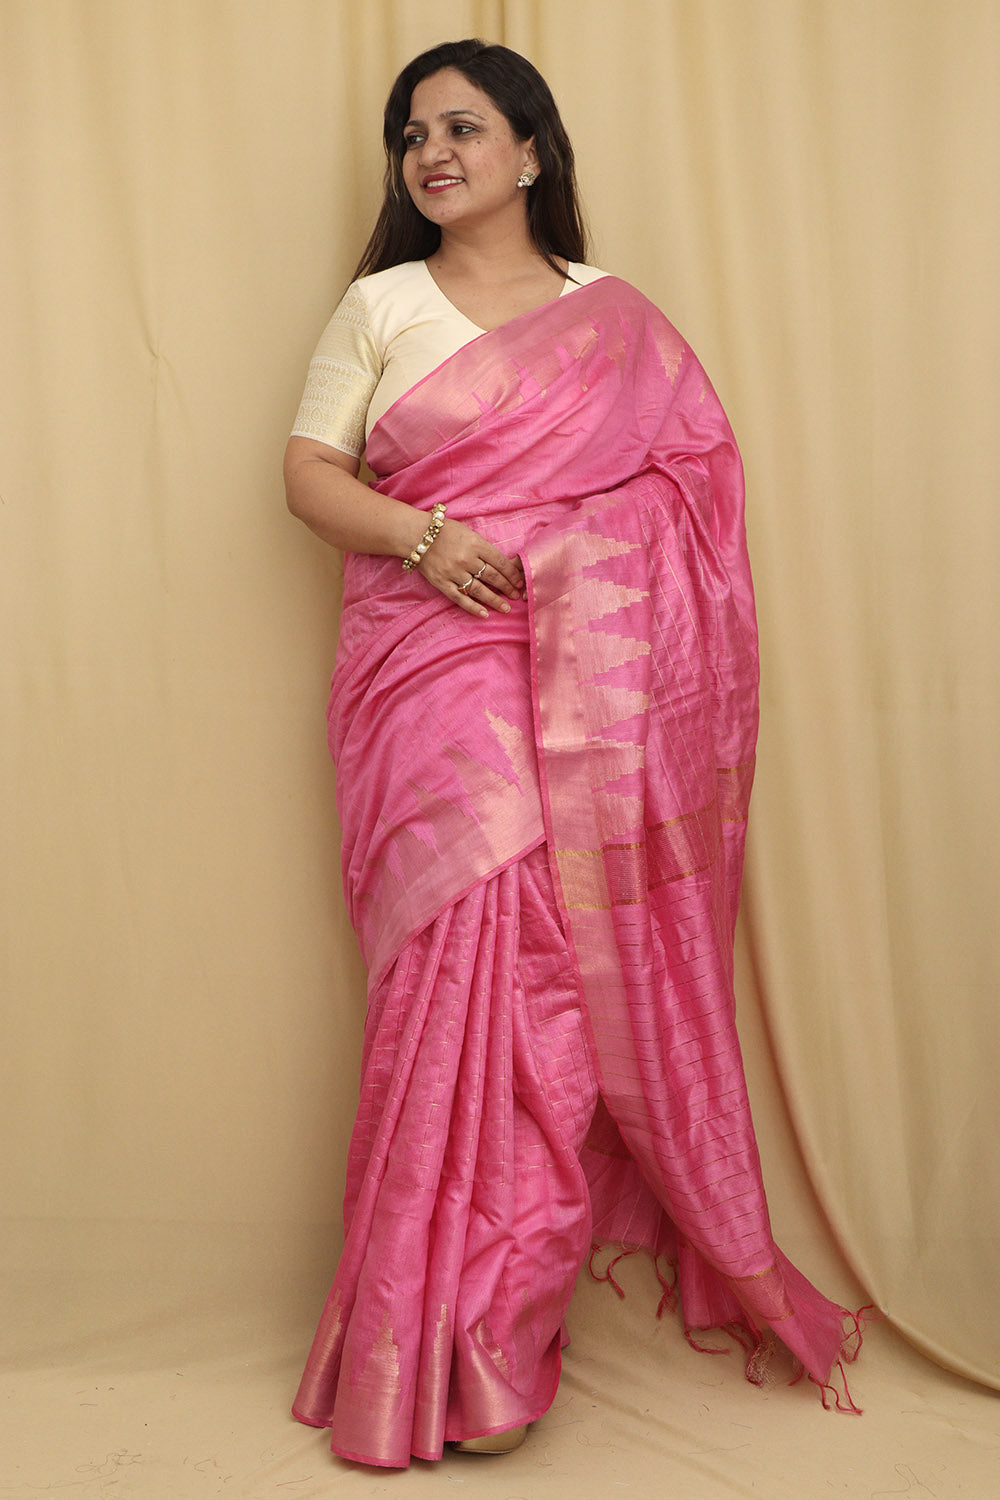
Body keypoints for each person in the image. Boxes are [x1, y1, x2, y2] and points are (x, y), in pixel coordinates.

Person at [285, 38, 857, 1471]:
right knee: (451, 979)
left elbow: (695, 495)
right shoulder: (382, 304)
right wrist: (428, 535)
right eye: (412, 135)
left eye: (463, 129)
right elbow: (307, 476)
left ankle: (497, 1345)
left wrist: (565, 547)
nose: (432, 154)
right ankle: (414, 1342)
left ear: (531, 153)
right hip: (429, 669)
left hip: (588, 698)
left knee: (547, 985)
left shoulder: (616, 318)